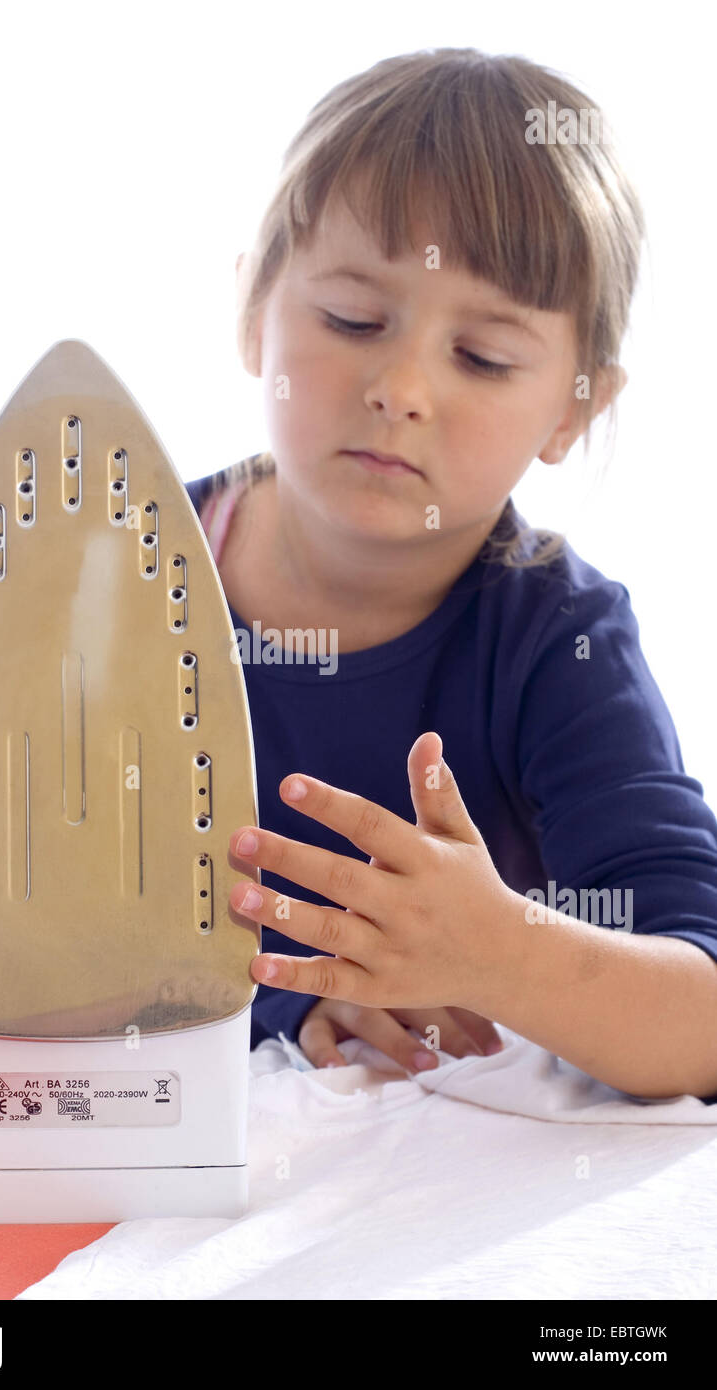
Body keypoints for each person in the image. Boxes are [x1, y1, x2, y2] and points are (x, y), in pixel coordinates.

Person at [185, 47, 717, 1102]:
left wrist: (496, 953)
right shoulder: (123, 575)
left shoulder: (558, 638)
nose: (399, 387)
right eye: (350, 320)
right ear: (255, 309)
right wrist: (293, 997)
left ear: (571, 408)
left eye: (479, 355)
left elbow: (698, 1019)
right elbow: (37, 943)